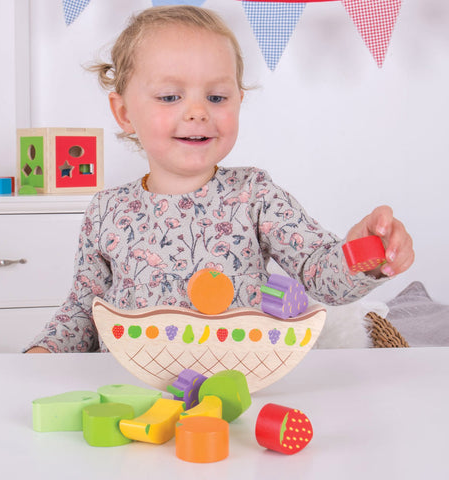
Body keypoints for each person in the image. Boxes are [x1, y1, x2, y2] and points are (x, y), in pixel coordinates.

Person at [25, 6, 414, 353]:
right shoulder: (106, 210)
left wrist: (366, 254)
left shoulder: (255, 194)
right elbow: (81, 313)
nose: (197, 111)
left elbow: (320, 275)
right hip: (132, 395)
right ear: (124, 112)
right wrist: (43, 353)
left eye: (216, 98)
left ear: (239, 102)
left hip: (234, 389)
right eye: (169, 97)